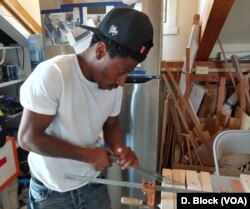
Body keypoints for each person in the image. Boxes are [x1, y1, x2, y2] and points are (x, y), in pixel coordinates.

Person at [18, 7, 154, 209]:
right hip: (52, 192)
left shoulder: (112, 84)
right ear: (100, 50)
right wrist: (88, 155)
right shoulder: (54, 74)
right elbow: (27, 139)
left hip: (93, 185)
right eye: (123, 70)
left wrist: (118, 149)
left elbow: (112, 123)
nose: (122, 81)